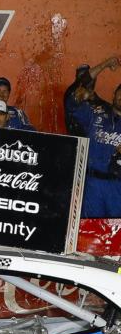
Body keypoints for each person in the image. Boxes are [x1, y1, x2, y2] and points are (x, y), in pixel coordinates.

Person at [64, 55, 121, 217]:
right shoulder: (95, 113)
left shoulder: (98, 104)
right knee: (90, 234)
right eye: (120, 93)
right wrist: (105, 63)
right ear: (113, 95)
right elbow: (72, 102)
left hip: (117, 186)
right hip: (91, 183)